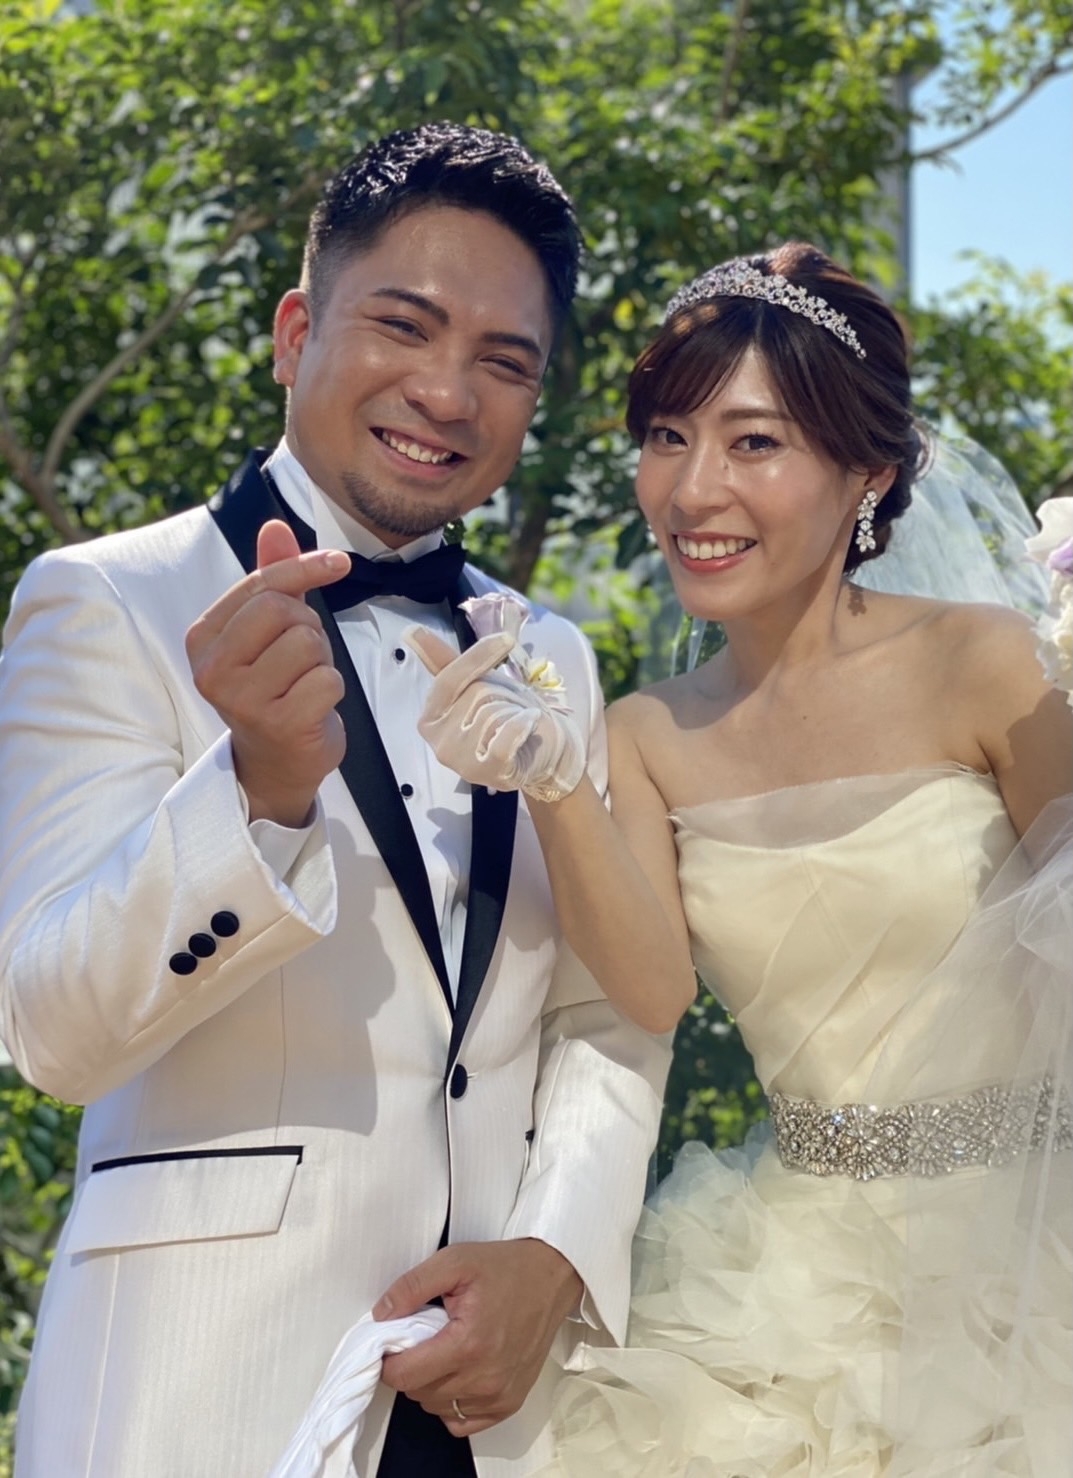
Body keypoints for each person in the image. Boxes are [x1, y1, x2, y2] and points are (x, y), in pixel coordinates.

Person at [0, 123, 672, 1478]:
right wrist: (253, 796)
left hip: (497, 1408)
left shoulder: (551, 652)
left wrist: (555, 1252)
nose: (447, 391)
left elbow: (604, 1007)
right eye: (404, 326)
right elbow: (51, 1033)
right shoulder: (106, 599)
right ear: (295, 332)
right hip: (203, 1392)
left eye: (504, 362)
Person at [408, 242, 1073, 1475]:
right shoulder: (643, 734)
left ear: (867, 472)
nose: (691, 488)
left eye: (752, 441)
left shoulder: (984, 664)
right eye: (666, 437)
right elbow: (650, 988)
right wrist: (550, 777)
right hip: (778, 1284)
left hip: (1031, 1257)